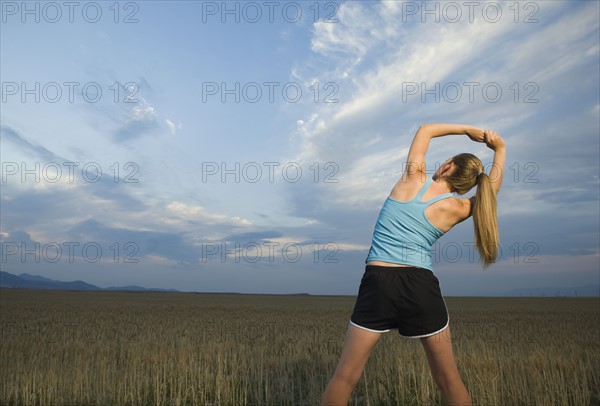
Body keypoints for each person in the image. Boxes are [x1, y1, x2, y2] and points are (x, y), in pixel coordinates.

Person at [321, 123, 506, 406]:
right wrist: (500, 150)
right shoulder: (458, 209)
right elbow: (490, 193)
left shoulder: (413, 178)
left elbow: (426, 130)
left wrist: (467, 130)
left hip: (378, 282)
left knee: (345, 377)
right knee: (448, 380)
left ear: (447, 166)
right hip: (420, 288)